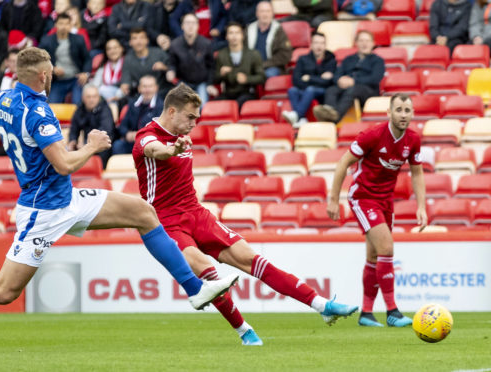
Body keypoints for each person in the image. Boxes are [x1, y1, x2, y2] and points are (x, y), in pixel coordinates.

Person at [0, 47, 238, 330]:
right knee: (2, 291)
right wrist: (92, 146)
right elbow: (63, 164)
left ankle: (195, 290)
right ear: (45, 75)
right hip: (43, 210)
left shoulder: (4, 99)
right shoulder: (39, 112)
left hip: (66, 198)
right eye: (52, 74)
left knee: (143, 212)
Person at [133, 83, 359, 343]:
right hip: (167, 223)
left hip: (196, 213)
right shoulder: (147, 136)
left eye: (197, 117)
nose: (195, 123)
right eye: (190, 117)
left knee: (252, 259)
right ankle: (244, 330)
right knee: (208, 273)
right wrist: (171, 150)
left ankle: (321, 305)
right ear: (171, 111)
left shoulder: (184, 136)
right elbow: (153, 150)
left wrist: (177, 146)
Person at [327, 93, 427, 328]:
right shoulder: (372, 135)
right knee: (387, 247)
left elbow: (417, 172)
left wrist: (421, 206)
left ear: (412, 114)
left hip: (385, 201)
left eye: (407, 110)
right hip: (363, 197)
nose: (403, 114)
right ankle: (392, 312)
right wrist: (333, 199)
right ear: (389, 113)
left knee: (374, 256)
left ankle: (366, 313)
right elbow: (343, 162)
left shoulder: (412, 139)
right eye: (399, 110)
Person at [313, 30, 384, 124]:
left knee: (353, 89)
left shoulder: (378, 60)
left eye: (367, 41)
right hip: (347, 88)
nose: (364, 44)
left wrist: (354, 81)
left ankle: (334, 118)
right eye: (361, 40)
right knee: (331, 90)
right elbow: (337, 74)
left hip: (367, 90)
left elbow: (375, 78)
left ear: (373, 43)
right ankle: (330, 113)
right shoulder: (348, 59)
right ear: (356, 43)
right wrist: (339, 80)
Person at [282, 31, 336, 126]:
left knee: (310, 89)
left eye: (322, 43)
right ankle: (301, 119)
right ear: (311, 45)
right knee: (292, 90)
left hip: (322, 92)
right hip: (305, 90)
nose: (319, 46)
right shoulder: (303, 59)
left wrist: (309, 78)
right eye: (316, 43)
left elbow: (328, 82)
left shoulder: (331, 60)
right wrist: (319, 79)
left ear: (325, 45)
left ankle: (297, 116)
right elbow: (296, 80)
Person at [39, 13, 91, 105]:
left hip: (76, 79)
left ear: (71, 25)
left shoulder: (79, 39)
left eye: (67, 24)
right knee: (51, 105)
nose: (64, 26)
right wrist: (52, 69)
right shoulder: (46, 41)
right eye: (61, 23)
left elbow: (87, 59)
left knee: (77, 104)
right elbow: (39, 60)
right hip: (58, 80)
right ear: (56, 25)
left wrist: (85, 74)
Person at [214, 22, 266, 109]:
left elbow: (262, 77)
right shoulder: (221, 55)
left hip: (247, 93)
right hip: (228, 93)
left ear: (242, 36)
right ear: (226, 36)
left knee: (237, 105)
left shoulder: (253, 54)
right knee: (213, 106)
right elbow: (215, 79)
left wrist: (247, 79)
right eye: (231, 33)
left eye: (237, 33)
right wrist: (221, 74)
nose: (234, 36)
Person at [166, 13, 214, 105]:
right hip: (183, 83)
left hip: (202, 82)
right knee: (183, 108)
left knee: (201, 106)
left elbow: (211, 66)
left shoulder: (206, 44)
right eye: (187, 23)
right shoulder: (175, 45)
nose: (190, 26)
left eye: (193, 23)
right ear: (182, 26)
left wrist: (209, 83)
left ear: (198, 26)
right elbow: (172, 63)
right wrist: (171, 71)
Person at [69, 84, 116, 167]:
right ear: (83, 98)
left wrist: (86, 144)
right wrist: (72, 141)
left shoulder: (105, 109)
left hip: (104, 145)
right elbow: (74, 129)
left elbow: (105, 132)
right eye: (89, 97)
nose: (92, 100)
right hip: (87, 145)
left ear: (98, 97)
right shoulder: (80, 110)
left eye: (94, 97)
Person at [113, 75, 162, 154]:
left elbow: (159, 129)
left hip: (150, 143)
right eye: (144, 86)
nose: (147, 90)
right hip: (132, 141)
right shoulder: (133, 104)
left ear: (156, 88)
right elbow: (123, 125)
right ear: (139, 88)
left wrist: (139, 134)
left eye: (150, 86)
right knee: (118, 145)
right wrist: (127, 134)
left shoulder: (161, 106)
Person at [120, 27, 172, 98]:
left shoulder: (159, 53)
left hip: (162, 92)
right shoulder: (128, 59)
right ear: (130, 42)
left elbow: (173, 69)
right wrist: (125, 84)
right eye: (135, 38)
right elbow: (126, 78)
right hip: (141, 94)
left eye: (141, 38)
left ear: (147, 40)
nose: (138, 41)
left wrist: (164, 67)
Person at [246, 1, 292, 78]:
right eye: (262, 11)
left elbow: (284, 55)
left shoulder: (278, 30)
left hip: (272, 67)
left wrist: (263, 65)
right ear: (257, 13)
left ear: (272, 13)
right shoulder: (249, 29)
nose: (265, 14)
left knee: (267, 74)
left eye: (268, 11)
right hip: (251, 66)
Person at [91, 38, 126, 103]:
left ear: (121, 49)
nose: (112, 51)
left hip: (123, 95)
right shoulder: (103, 66)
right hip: (106, 97)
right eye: (109, 49)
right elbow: (95, 85)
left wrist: (119, 94)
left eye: (115, 48)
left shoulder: (127, 62)